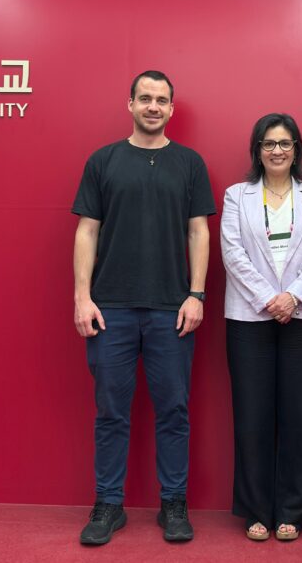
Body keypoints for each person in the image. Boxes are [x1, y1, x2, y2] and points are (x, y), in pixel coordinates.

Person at [72, 70, 216, 545]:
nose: (153, 106)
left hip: (171, 309)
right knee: (111, 411)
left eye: (162, 100)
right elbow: (87, 231)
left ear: (172, 108)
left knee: (173, 410)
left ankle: (173, 503)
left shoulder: (190, 164)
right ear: (130, 104)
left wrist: (196, 295)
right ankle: (108, 505)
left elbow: (199, 231)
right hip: (110, 308)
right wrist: (82, 296)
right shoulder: (103, 161)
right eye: (145, 98)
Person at [221, 113, 302, 542]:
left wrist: (294, 297)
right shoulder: (237, 196)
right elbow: (232, 253)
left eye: (285, 143)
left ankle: (293, 508)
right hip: (249, 317)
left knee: (301, 416)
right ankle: (255, 509)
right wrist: (269, 299)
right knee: (252, 416)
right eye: (269, 143)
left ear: (297, 149)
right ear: (257, 150)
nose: (277, 150)